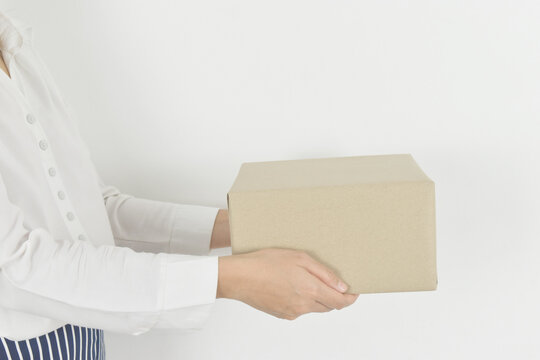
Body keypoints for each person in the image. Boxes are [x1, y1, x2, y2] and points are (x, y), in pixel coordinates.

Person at [0, 10, 359, 359]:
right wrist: (233, 278)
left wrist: (245, 227)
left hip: (83, 337)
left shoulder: (16, 45)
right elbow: (14, 269)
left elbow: (94, 212)